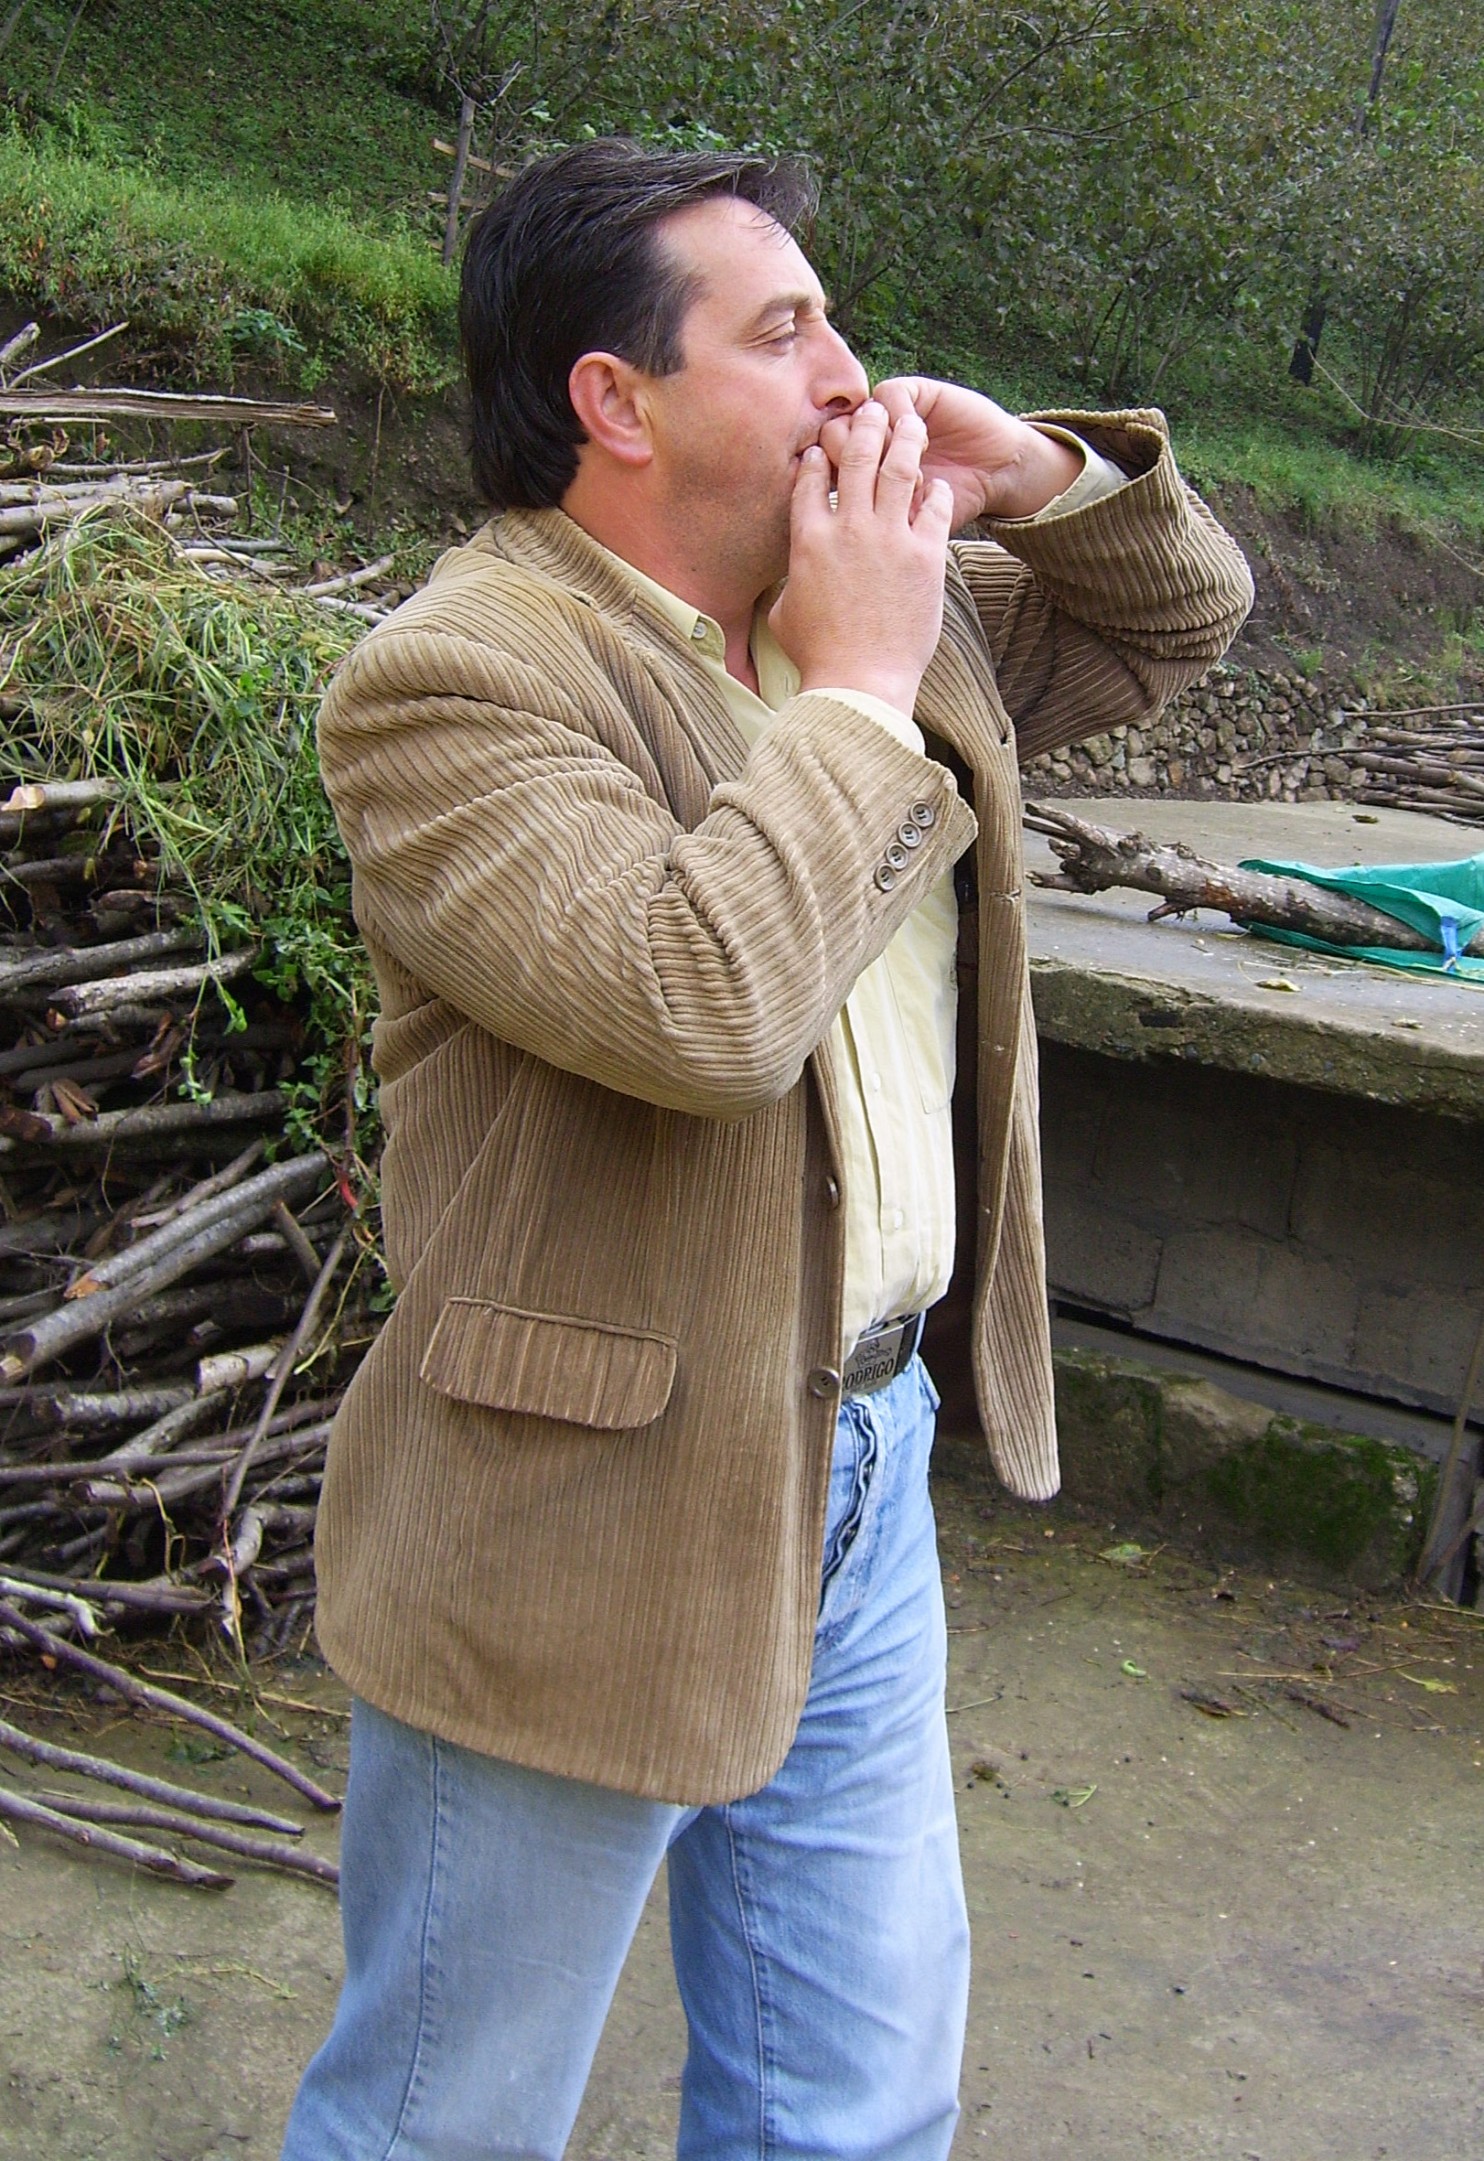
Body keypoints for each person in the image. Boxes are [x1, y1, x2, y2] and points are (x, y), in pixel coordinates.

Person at [281, 138, 1252, 2161]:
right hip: (574, 1503)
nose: (847, 375)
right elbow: (694, 1006)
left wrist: (1042, 481)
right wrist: (869, 675)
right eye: (783, 328)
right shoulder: (459, 679)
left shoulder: (863, 611)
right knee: (444, 2114)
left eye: (838, 320)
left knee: (852, 2097)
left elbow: (1176, 623)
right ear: (612, 400)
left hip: (866, 1456)